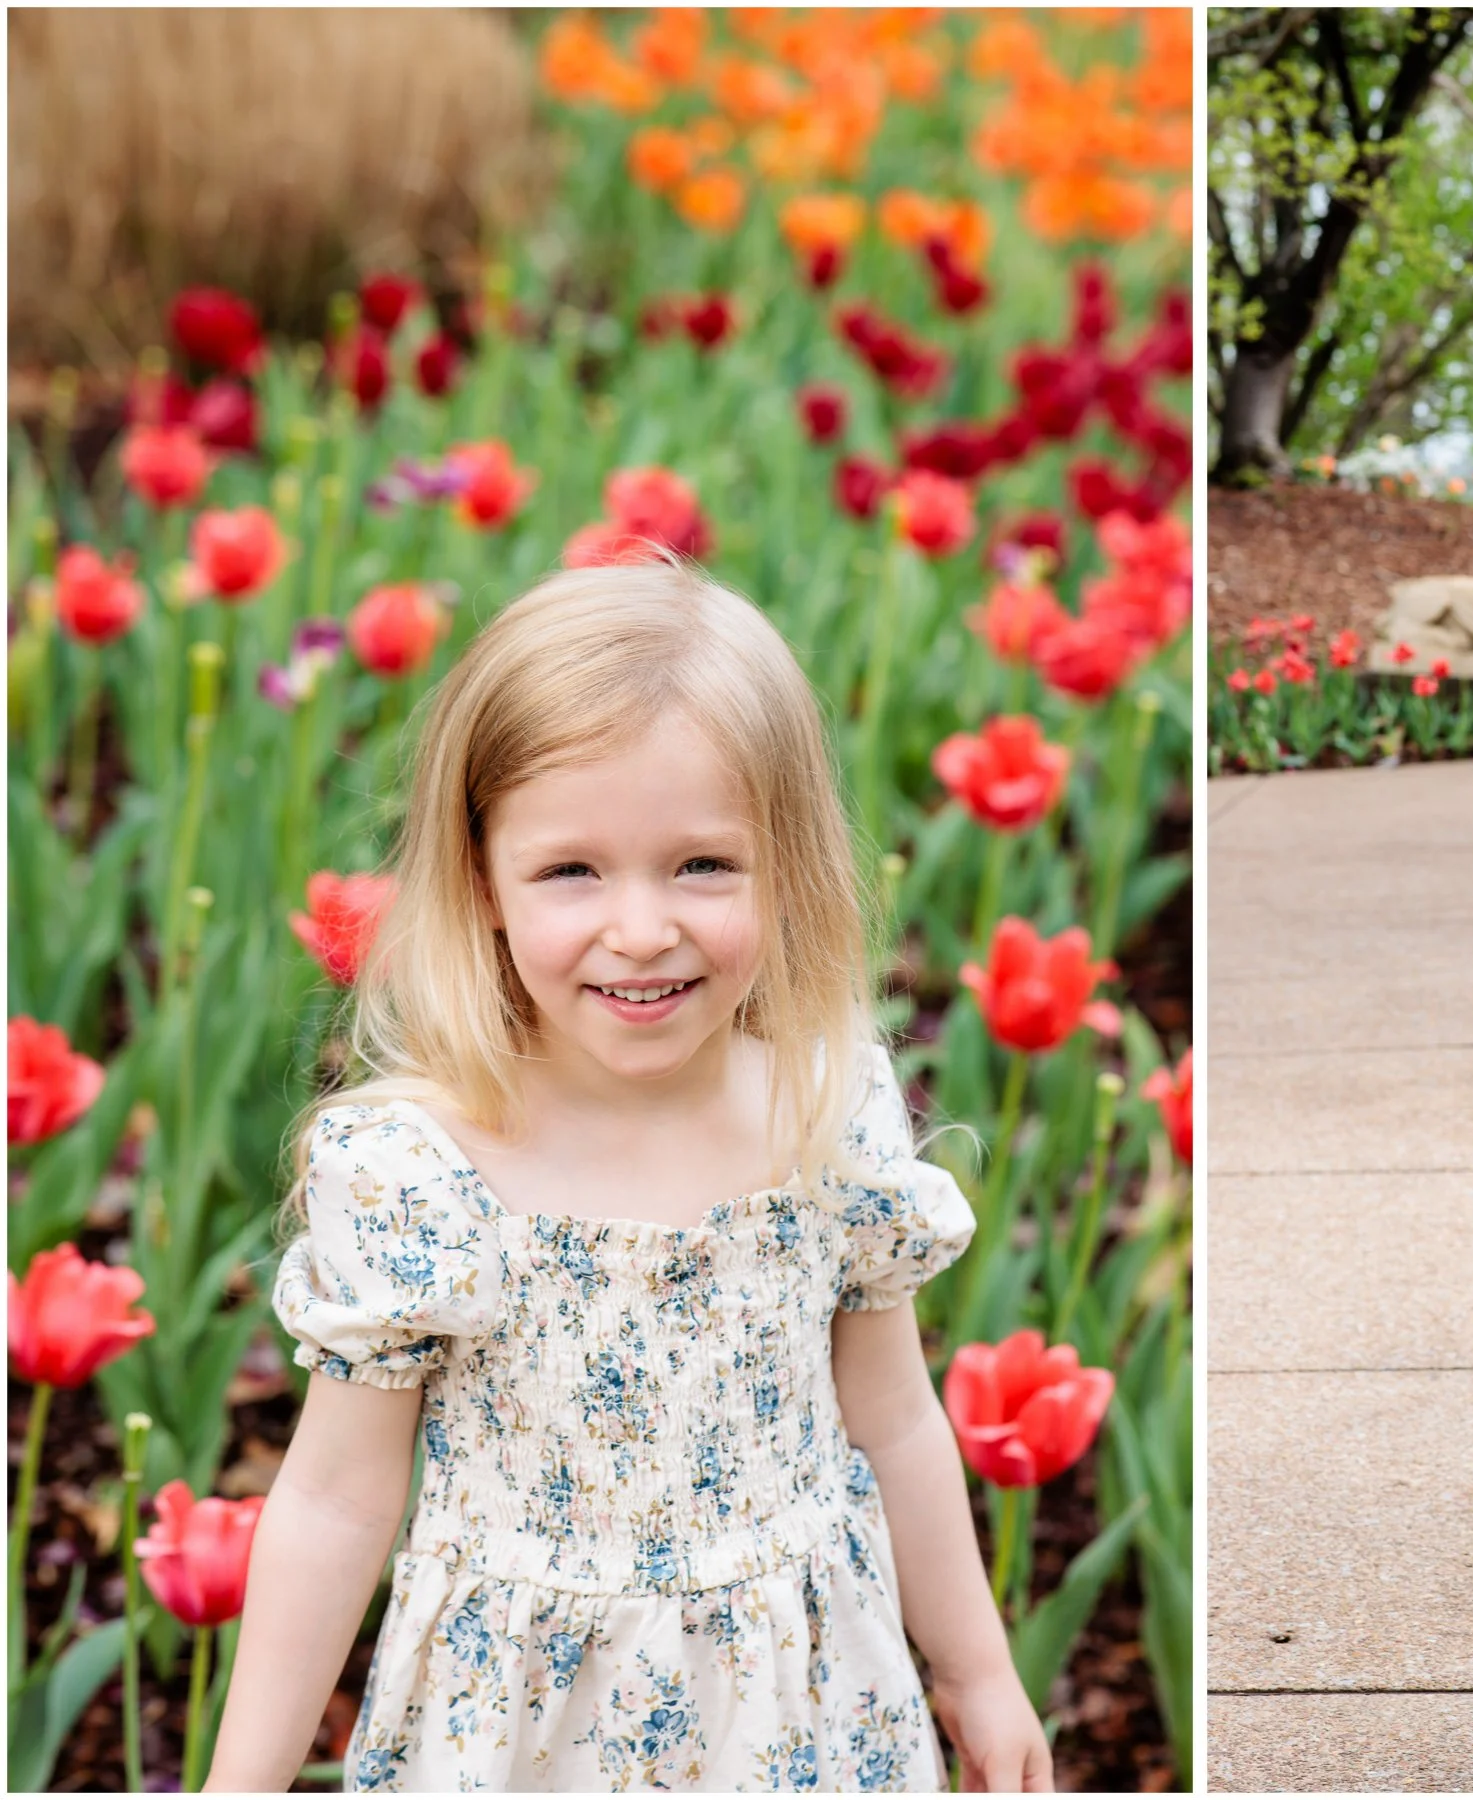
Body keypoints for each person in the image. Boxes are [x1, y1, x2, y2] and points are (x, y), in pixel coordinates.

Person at [207, 550, 1050, 1792]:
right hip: (525, 1728)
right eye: (571, 871)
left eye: (703, 864)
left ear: (788, 865)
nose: (643, 927)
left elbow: (897, 1419)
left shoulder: (825, 1110)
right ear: (481, 879)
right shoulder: (418, 1172)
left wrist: (977, 1672)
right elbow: (335, 1503)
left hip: (803, 1707)